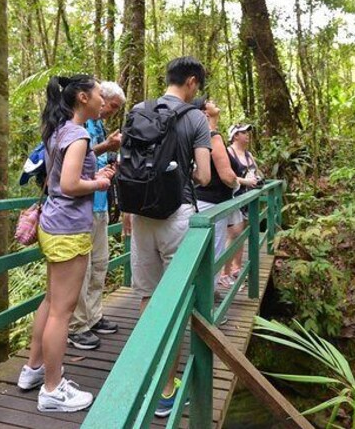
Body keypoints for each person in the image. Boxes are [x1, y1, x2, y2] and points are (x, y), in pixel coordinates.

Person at [16, 75, 115, 413]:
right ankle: (52, 389)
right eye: (100, 95)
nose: (103, 101)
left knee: (52, 301)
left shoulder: (58, 130)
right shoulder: (78, 134)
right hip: (68, 228)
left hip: (53, 224)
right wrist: (99, 182)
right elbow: (70, 184)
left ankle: (34, 369)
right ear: (83, 98)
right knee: (63, 311)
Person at [129, 56, 211, 417]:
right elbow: (205, 176)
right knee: (175, 299)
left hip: (141, 213)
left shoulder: (138, 110)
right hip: (176, 213)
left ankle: (149, 375)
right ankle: (166, 390)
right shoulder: (196, 117)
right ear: (191, 82)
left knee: (148, 295)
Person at [68, 81, 126, 351]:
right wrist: (107, 146)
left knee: (100, 264)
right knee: (84, 268)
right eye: (109, 104)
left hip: (100, 204)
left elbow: (95, 160)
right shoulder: (76, 124)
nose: (108, 109)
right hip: (82, 207)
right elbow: (76, 158)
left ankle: (93, 316)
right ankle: (77, 326)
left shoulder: (98, 124)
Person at [194, 99, 239, 285]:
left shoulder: (196, 135)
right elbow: (227, 176)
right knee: (214, 250)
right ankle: (207, 300)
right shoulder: (213, 136)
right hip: (213, 203)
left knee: (201, 249)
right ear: (205, 112)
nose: (213, 101)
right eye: (209, 101)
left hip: (198, 200)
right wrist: (238, 184)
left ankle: (200, 295)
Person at [223, 123, 260, 285]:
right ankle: (225, 272)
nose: (247, 135)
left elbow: (255, 172)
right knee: (234, 234)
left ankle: (236, 268)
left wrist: (256, 179)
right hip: (233, 198)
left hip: (247, 199)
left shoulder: (248, 155)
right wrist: (246, 181)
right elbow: (225, 176)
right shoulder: (228, 153)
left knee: (242, 232)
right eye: (243, 132)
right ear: (235, 136)